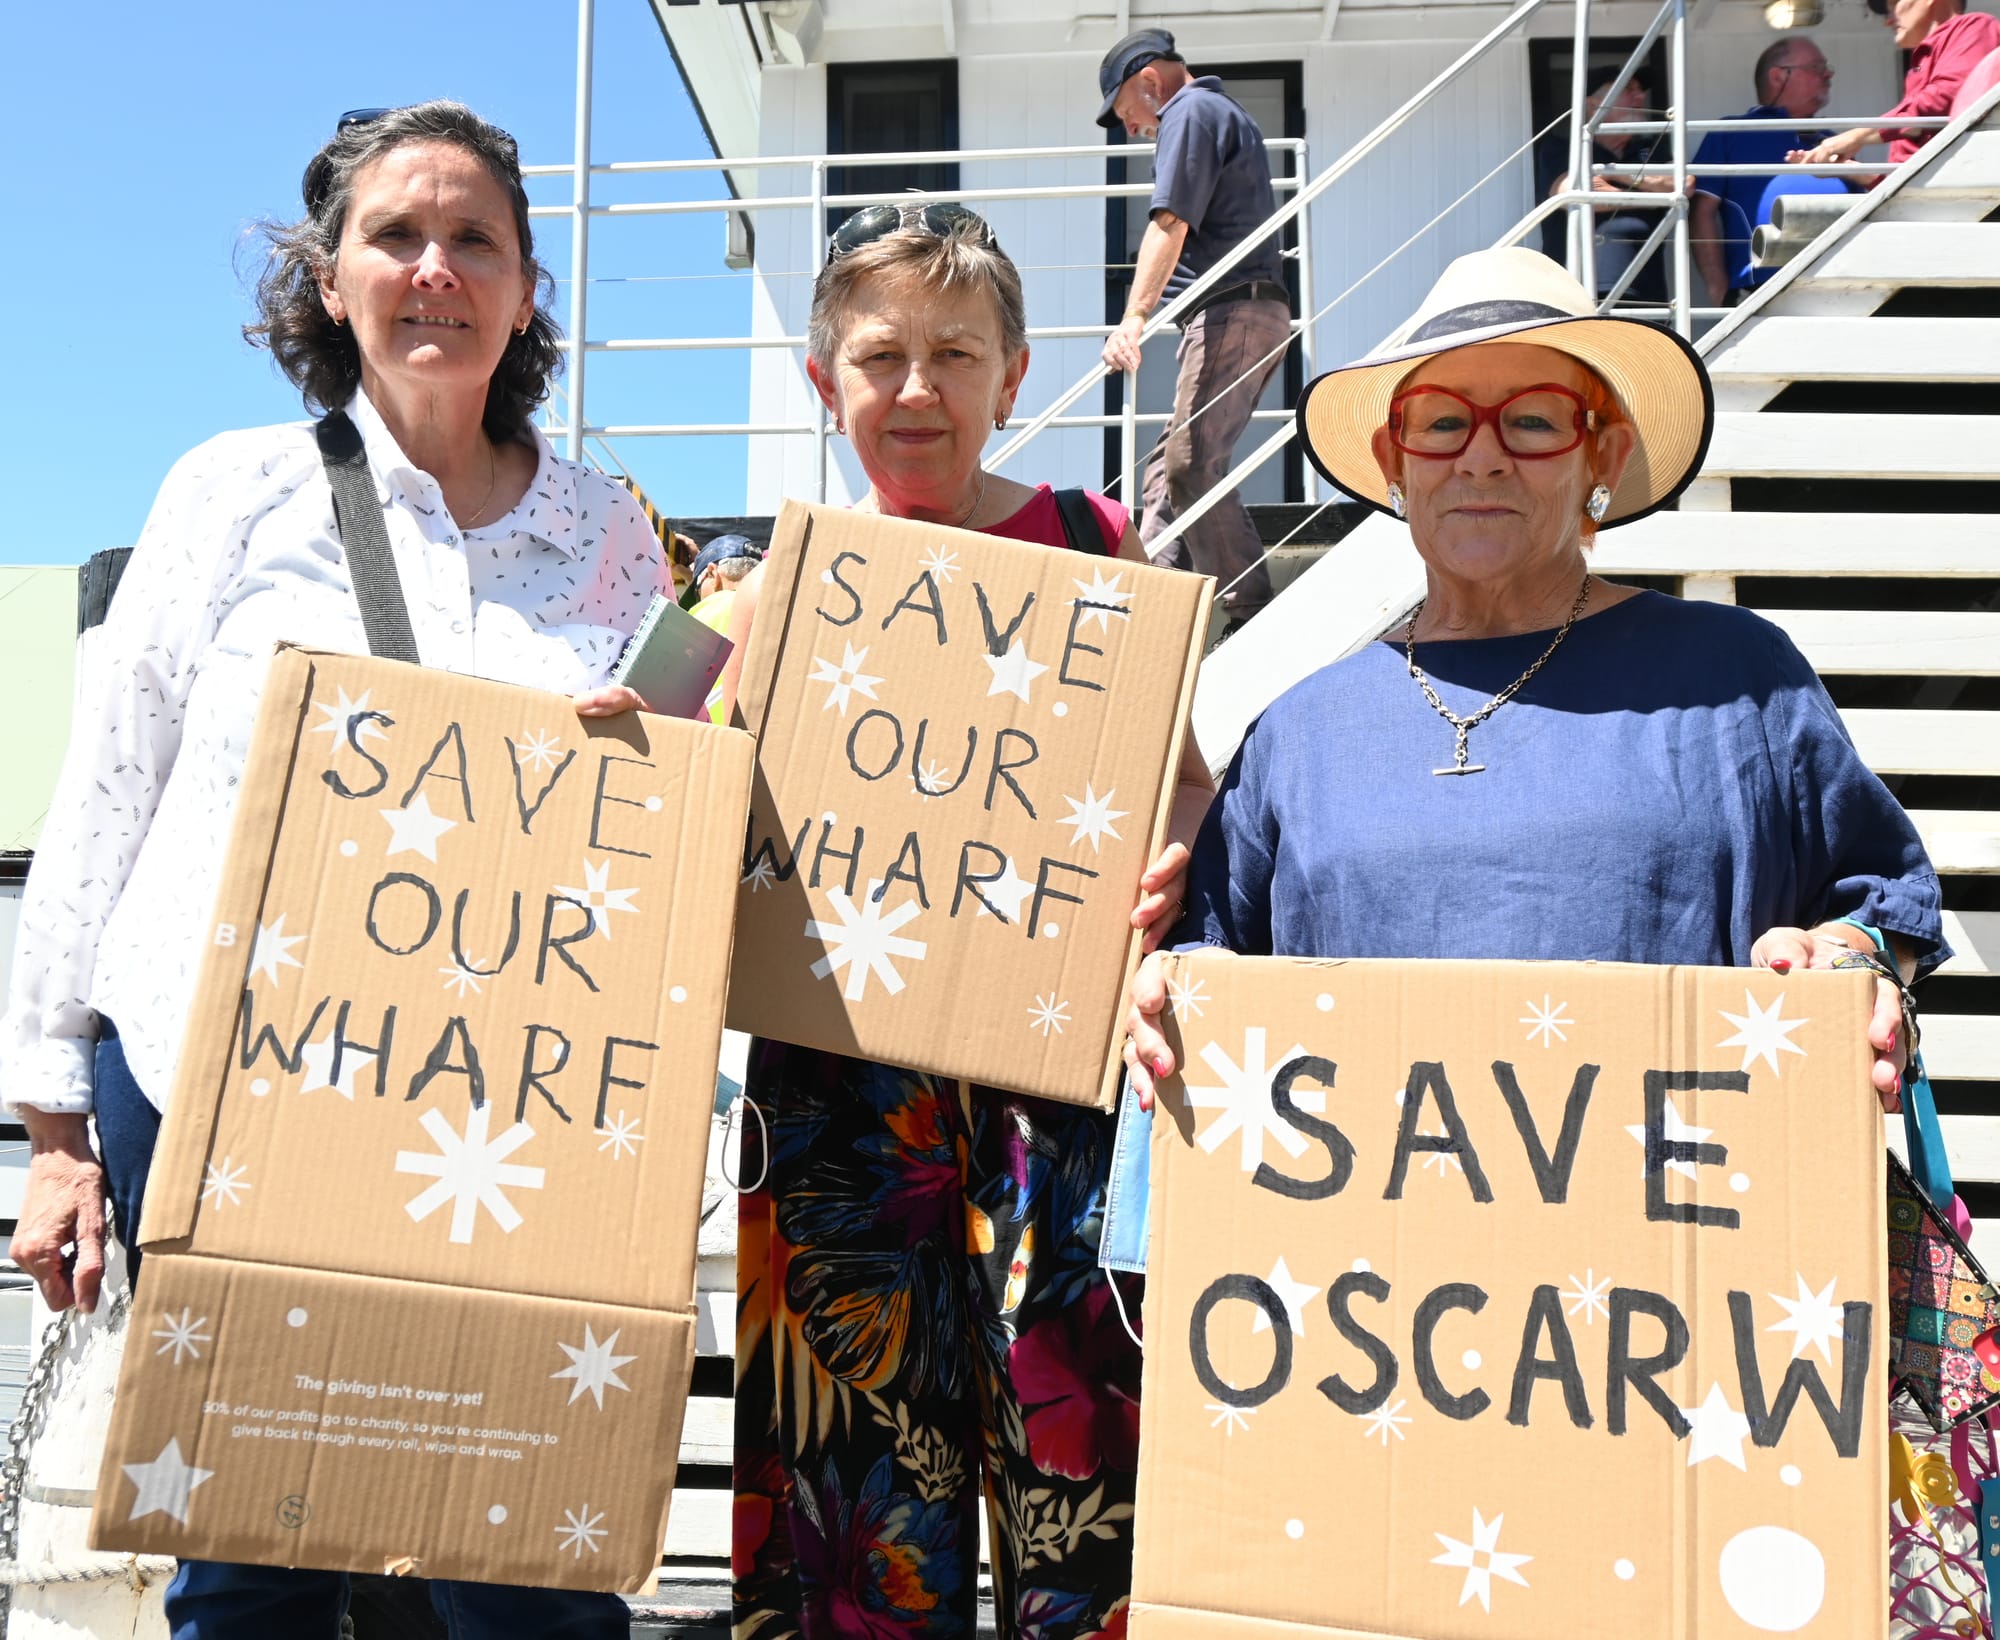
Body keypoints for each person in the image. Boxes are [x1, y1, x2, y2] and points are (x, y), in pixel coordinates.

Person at [0, 102, 659, 1640]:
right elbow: (108, 785)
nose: (437, 270)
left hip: (509, 1102)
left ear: (525, 285)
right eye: (397, 237)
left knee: (524, 1561)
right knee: (253, 1558)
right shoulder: (229, 491)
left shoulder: (612, 531)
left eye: (475, 240)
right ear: (330, 278)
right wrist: (50, 1127)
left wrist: (664, 741)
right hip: (225, 1080)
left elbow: (688, 771)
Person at [1121, 246, 1945, 1137]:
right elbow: (1209, 957)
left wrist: (1849, 959)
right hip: (1374, 1264)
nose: (1481, 459)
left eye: (1534, 421)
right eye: (1440, 423)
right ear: (1391, 459)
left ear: (1604, 452)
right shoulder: (1300, 731)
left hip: (1684, 1249)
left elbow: (1881, 901)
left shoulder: (1737, 680)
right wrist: (1164, 991)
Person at [723, 202, 1213, 1640]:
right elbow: (649, 750)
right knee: (851, 1501)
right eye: (880, 358)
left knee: (1082, 1472)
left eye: (955, 353)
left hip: (1053, 1091)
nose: (917, 389)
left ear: (1015, 373)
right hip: (837, 1094)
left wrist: (1178, 847)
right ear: (827, 385)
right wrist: (660, 717)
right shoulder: (756, 586)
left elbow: (1182, 783)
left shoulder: (1102, 544)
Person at [1096, 29, 1291, 625]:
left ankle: (1250, 608)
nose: (1131, 129)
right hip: (1235, 310)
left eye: (1126, 112)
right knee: (1164, 470)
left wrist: (1132, 319)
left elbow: (1170, 222)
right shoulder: (1212, 112)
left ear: (1149, 82)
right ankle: (1153, 605)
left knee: (1189, 465)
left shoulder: (1190, 111)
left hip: (1234, 309)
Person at [1691, 37, 1838, 304]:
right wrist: (1717, 286)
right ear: (1779, 76)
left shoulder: (1833, 140)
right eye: (1817, 67)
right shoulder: (1731, 133)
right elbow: (1702, 211)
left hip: (1835, 286)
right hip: (1761, 291)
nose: (1828, 74)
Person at [1788, 0, 2000, 170]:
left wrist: (1857, 136)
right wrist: (1848, 169)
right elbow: (1907, 171)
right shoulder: (1921, 65)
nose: (1888, 21)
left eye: (1893, 4)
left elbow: (1945, 96)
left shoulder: (1975, 26)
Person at [1535, 75, 1680, 305]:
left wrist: (1613, 173)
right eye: (1628, 88)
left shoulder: (1651, 149)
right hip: (1577, 296)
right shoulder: (1563, 148)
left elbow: (1685, 185)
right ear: (1594, 106)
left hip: (1648, 296)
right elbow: (1572, 192)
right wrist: (1652, 194)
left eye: (1641, 89)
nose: (1641, 96)